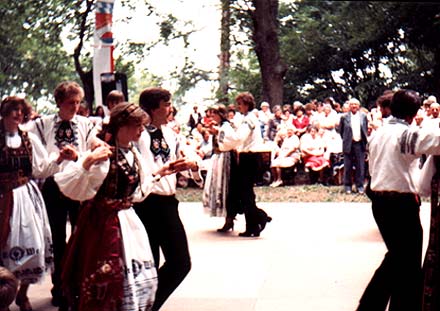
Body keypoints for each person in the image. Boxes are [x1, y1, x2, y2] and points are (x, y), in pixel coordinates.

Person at [54, 102, 180, 311]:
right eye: (138, 125)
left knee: (131, 274)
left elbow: (138, 192)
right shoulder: (103, 154)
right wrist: (86, 163)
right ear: (123, 126)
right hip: (102, 225)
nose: (141, 130)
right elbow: (73, 188)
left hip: (127, 220)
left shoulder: (133, 153)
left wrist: (161, 172)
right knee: (106, 276)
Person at [356, 89, 440, 311]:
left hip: (379, 201)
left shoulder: (379, 133)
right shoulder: (407, 135)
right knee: (402, 260)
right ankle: (370, 306)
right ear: (414, 113)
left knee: (401, 259)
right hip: (401, 203)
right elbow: (437, 142)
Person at [27, 81, 101, 308]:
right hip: (55, 184)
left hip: (79, 183)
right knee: (57, 238)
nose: (75, 107)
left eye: (78, 103)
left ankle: (77, 285)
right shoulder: (42, 125)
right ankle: (59, 287)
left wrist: (80, 155)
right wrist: (57, 158)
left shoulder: (86, 124)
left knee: (80, 237)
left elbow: (93, 148)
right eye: (70, 103)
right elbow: (34, 152)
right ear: (59, 102)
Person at [0, 96, 74, 311]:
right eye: (14, 110)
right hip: (2, 198)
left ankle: (22, 294)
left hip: (25, 198)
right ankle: (3, 297)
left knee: (31, 246)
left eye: (22, 111)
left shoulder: (28, 139)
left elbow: (41, 168)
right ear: (4, 112)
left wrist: (59, 159)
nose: (18, 114)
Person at [134, 87, 203, 311]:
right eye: (166, 104)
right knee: (148, 264)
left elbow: (186, 157)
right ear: (153, 108)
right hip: (143, 204)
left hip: (167, 203)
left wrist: (191, 165)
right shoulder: (136, 135)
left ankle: (149, 306)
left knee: (180, 263)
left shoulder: (171, 134)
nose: (170, 109)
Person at [229, 92, 272, 237]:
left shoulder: (249, 119)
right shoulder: (248, 118)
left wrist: (227, 139)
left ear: (247, 104)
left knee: (245, 192)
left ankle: (259, 218)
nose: (238, 107)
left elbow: (239, 137)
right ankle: (254, 224)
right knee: (246, 193)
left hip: (250, 157)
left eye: (240, 104)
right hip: (248, 157)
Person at [202, 104, 240, 231]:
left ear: (221, 115)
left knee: (226, 188)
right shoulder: (220, 127)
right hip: (219, 157)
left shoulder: (226, 127)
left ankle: (229, 219)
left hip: (226, 158)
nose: (212, 116)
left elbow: (229, 142)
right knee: (219, 187)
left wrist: (217, 134)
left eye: (215, 114)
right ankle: (228, 219)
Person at [338, 98, 368, 194]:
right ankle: (347, 186)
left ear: (358, 106)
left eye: (356, 104)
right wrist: (347, 139)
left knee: (360, 166)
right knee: (348, 166)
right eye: (352, 104)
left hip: (360, 144)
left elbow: (365, 129)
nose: (354, 106)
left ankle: (360, 186)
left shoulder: (363, 116)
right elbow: (341, 131)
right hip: (349, 144)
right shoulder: (344, 117)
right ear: (349, 106)